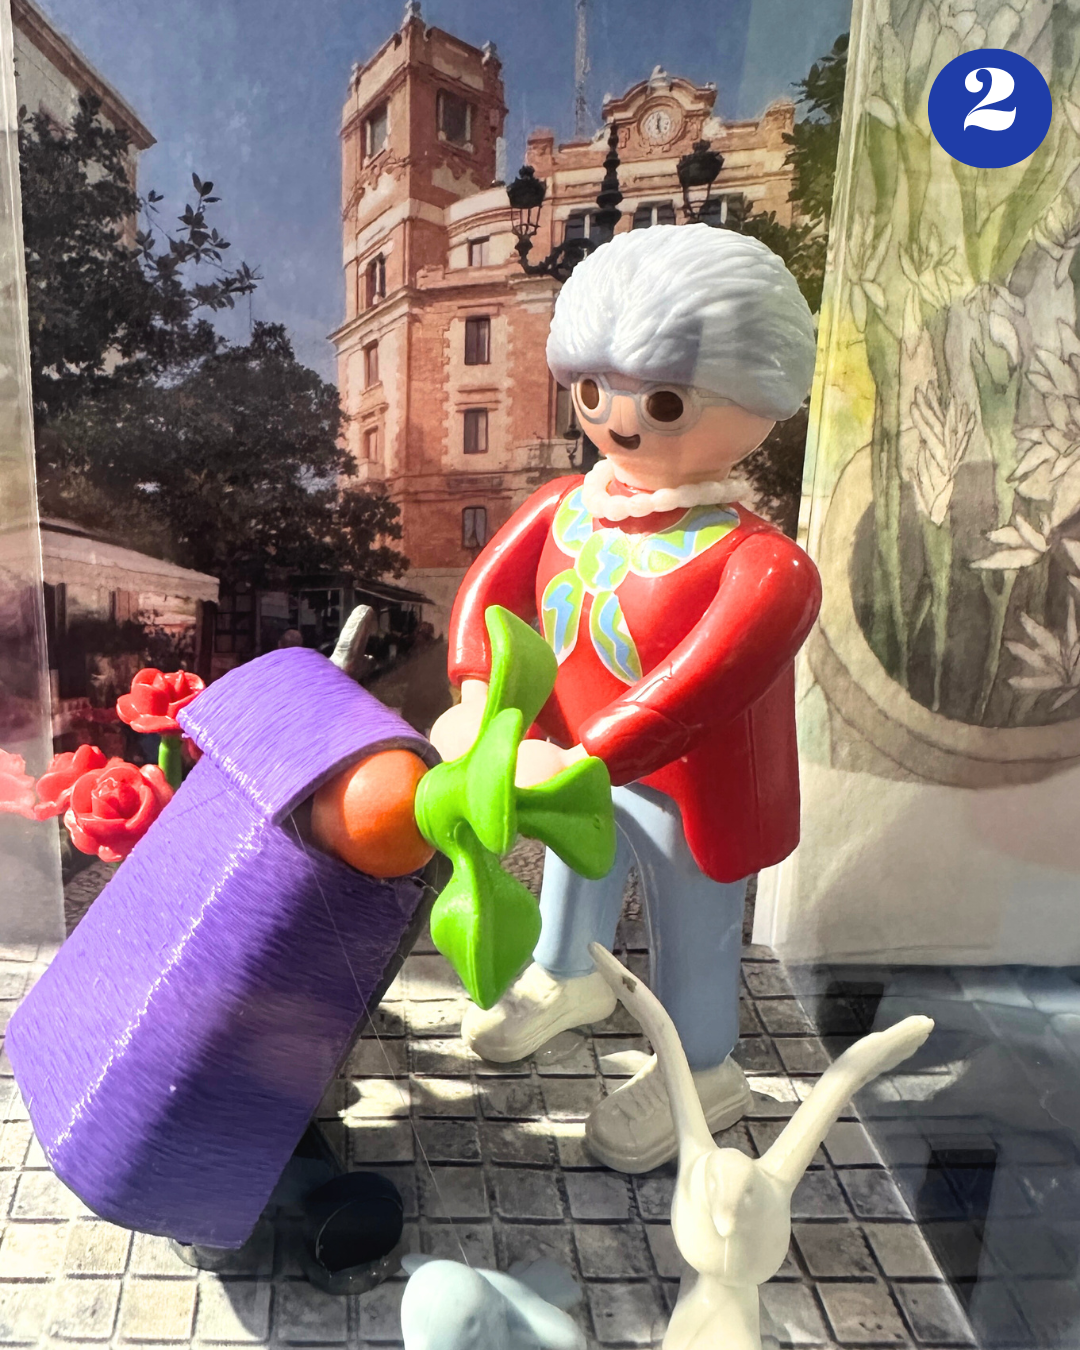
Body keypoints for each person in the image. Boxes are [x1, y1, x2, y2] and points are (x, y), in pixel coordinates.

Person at [430, 224, 821, 1174]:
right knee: (577, 869)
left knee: (694, 926)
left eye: (666, 400)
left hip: (693, 788)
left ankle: (703, 1065)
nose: (621, 421)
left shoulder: (764, 565)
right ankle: (569, 974)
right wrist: (480, 697)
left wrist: (588, 756)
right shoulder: (568, 505)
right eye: (595, 391)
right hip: (576, 759)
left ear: (759, 400)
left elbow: (701, 687)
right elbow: (488, 591)